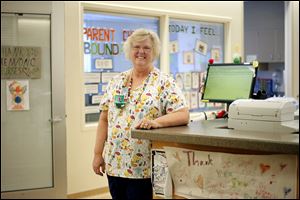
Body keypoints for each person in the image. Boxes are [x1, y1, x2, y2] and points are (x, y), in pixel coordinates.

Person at [92, 28, 189, 200]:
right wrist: (97, 154)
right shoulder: (116, 81)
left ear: (154, 52)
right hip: (115, 163)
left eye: (147, 48)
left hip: (144, 169)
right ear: (129, 51)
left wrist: (157, 122)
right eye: (136, 47)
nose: (141, 52)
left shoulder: (164, 82)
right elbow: (104, 119)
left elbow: (182, 114)